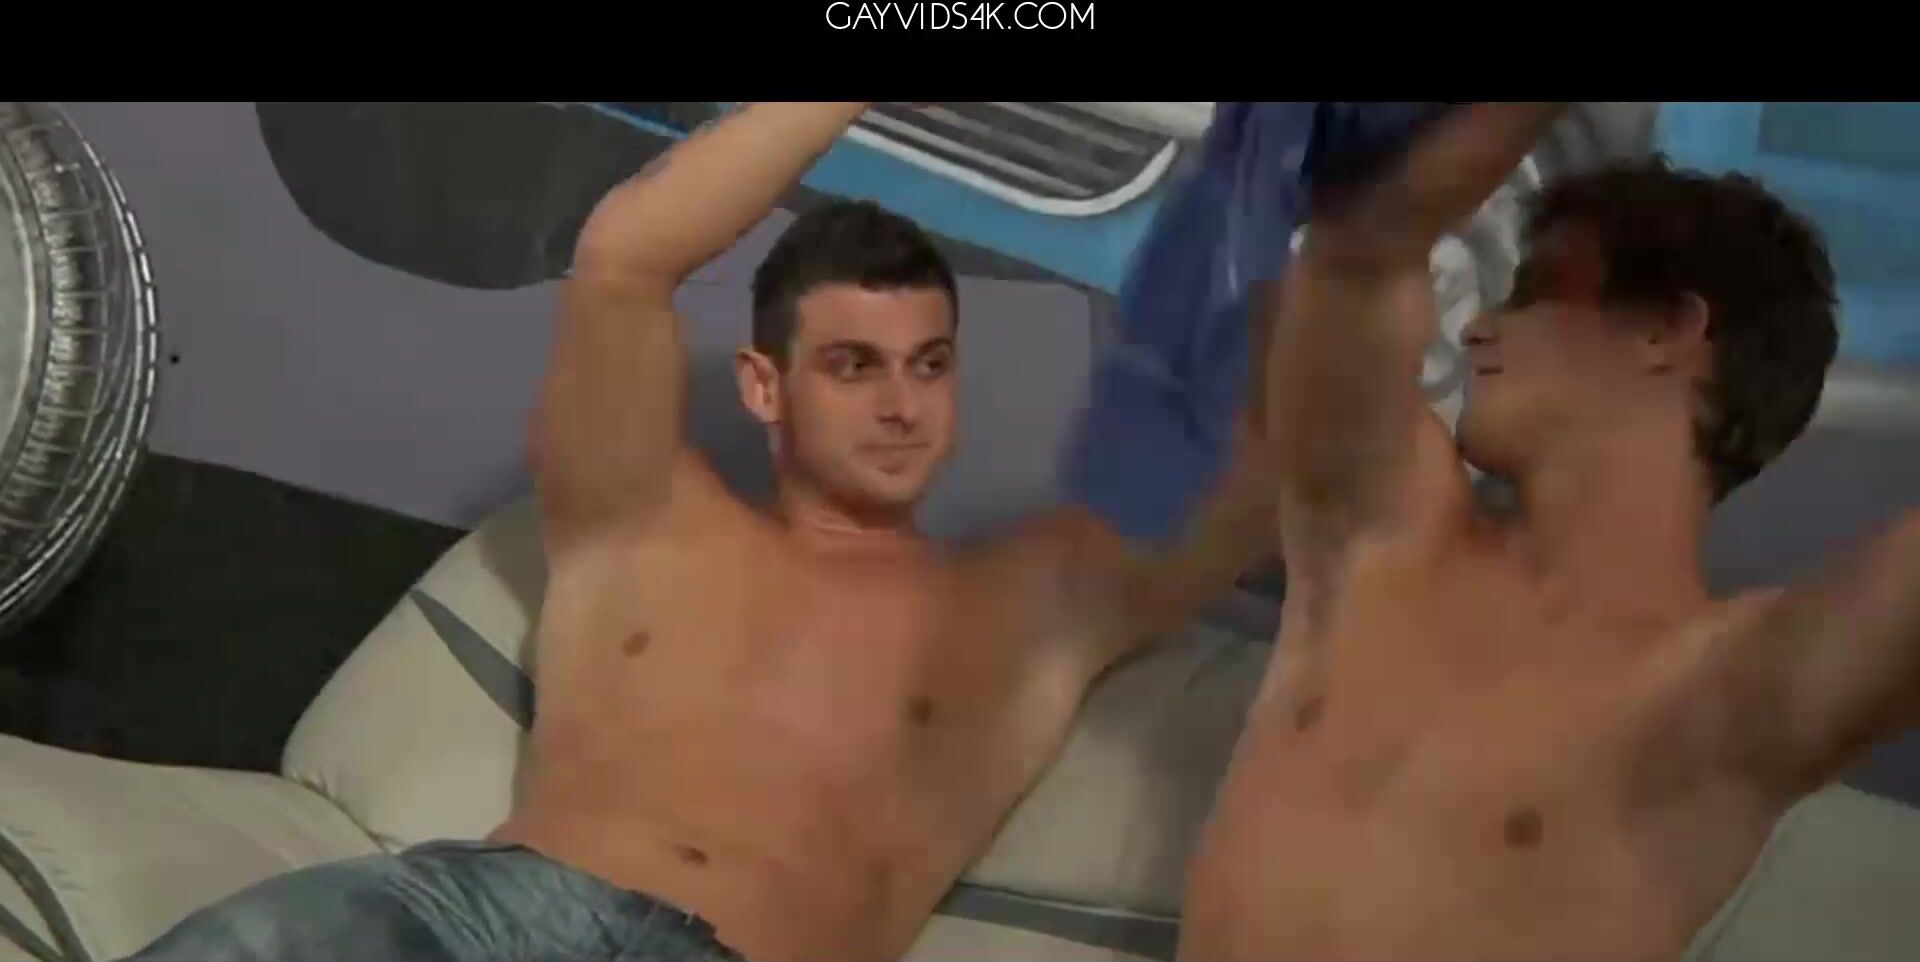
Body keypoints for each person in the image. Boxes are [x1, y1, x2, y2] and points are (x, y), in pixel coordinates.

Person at [122, 103, 1277, 961]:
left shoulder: (1026, 604)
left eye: (929, 365)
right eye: (853, 365)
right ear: (766, 385)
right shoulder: (648, 514)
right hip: (471, 915)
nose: (900, 404)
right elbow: (625, 257)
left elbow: (1269, 465)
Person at [1180, 102, 1920, 961]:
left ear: (1665, 329)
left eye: (1534, 292)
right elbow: (1349, 258)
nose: (1475, 327)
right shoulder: (1384, 539)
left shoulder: (1720, 698)